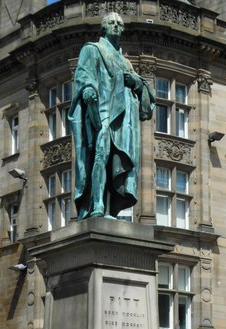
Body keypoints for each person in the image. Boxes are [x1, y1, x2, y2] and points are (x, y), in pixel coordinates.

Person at [69, 12, 155, 220]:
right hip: (102, 111)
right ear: (104, 28)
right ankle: (97, 204)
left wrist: (136, 82)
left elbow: (144, 96)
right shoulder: (92, 49)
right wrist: (88, 89)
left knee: (116, 161)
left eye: (119, 23)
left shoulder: (126, 63)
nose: (116, 26)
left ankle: (110, 209)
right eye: (111, 23)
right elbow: (83, 75)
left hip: (125, 119)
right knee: (100, 155)